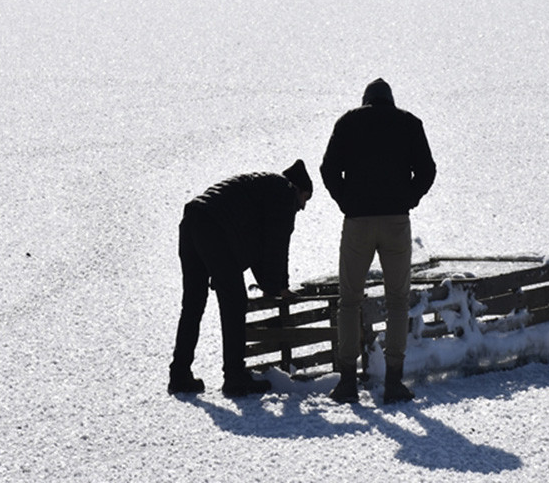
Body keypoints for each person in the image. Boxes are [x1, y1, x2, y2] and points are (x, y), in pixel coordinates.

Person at [321, 79, 436, 404]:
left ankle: (347, 383)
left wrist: (346, 201)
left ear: (366, 100)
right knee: (397, 301)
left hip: (357, 222)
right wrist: (408, 198)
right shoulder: (409, 123)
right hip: (396, 222)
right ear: (390, 100)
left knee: (349, 300)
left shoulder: (348, 122)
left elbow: (328, 168)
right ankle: (393, 383)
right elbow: (427, 170)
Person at [168, 160, 313, 397]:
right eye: (305, 199)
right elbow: (277, 244)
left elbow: (259, 248)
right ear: (298, 189)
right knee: (235, 303)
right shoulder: (284, 193)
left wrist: (270, 285)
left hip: (193, 220)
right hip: (215, 229)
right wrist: (281, 287)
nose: (303, 207)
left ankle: (179, 374)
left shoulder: (263, 188)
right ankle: (235, 377)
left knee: (193, 303)